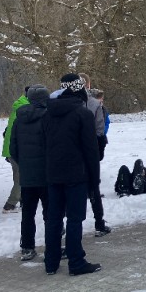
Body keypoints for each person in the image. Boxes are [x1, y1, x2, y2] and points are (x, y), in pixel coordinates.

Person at [43, 73, 102, 276]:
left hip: (53, 174)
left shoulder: (48, 113)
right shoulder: (82, 114)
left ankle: (50, 262)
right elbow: (90, 151)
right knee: (75, 219)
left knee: (54, 218)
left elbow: (45, 145)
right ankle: (76, 262)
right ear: (80, 90)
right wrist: (94, 179)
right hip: (76, 175)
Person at [9, 85, 50, 262]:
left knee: (28, 214)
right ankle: (53, 246)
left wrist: (24, 164)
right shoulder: (49, 118)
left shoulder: (19, 119)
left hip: (27, 175)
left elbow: (13, 148)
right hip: (47, 175)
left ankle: (27, 247)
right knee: (51, 213)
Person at [79, 73, 111, 237]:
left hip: (69, 154)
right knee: (93, 188)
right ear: (88, 85)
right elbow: (99, 130)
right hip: (89, 150)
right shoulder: (94, 104)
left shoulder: (57, 102)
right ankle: (99, 222)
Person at [1, 88, 30, 213]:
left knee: (21, 176)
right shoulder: (25, 108)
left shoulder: (20, 105)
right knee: (20, 178)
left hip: (12, 148)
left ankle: (24, 200)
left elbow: (7, 130)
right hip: (16, 150)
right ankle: (10, 204)